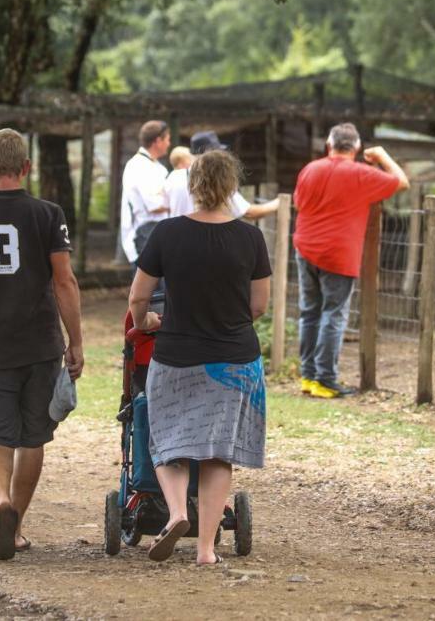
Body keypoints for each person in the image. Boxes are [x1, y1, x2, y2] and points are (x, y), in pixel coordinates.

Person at [0, 128, 84, 561]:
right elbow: (64, 281)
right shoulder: (49, 215)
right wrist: (75, 341)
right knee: (33, 438)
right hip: (41, 346)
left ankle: (0, 502)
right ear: (27, 168)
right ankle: (17, 524)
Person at [128, 149, 270, 566]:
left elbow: (138, 295)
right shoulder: (251, 238)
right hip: (234, 361)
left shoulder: (166, 233)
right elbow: (258, 306)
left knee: (167, 440)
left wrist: (147, 320)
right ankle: (206, 549)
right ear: (232, 187)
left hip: (176, 356)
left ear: (192, 185)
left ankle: (175, 514)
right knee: (217, 452)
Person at [293, 122, 409, 398]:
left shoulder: (310, 169)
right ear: (357, 148)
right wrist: (382, 157)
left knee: (309, 312)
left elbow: (299, 203)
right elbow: (402, 182)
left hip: (305, 247)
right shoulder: (361, 174)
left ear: (329, 145)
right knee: (333, 314)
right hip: (338, 253)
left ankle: (307, 376)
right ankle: (326, 379)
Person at [162, 129, 279, 221]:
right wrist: (277, 204)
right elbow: (248, 212)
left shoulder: (173, 177)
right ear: (211, 154)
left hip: (176, 238)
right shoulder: (216, 181)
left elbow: (164, 207)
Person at [121, 120, 172, 266]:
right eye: (167, 139)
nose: (169, 143)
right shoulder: (140, 166)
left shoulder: (155, 166)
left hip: (156, 231)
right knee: (152, 288)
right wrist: (177, 201)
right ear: (158, 140)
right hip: (145, 233)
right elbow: (155, 204)